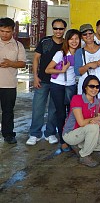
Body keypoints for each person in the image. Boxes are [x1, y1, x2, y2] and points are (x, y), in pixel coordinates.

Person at [63, 75, 100, 167]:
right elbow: (81, 123)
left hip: (87, 133)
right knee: (93, 127)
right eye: (92, 86)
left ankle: (80, 146)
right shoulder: (77, 99)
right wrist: (97, 119)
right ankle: (84, 155)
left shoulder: (98, 102)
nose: (95, 89)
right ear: (85, 87)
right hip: (71, 133)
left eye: (97, 87)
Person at [27, 18, 67, 146]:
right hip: (43, 80)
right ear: (52, 29)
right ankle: (34, 134)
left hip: (58, 82)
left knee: (54, 109)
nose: (58, 31)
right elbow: (36, 59)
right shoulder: (45, 41)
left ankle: (50, 133)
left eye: (61, 29)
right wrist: (35, 76)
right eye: (56, 28)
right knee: (38, 107)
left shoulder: (66, 44)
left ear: (64, 29)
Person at [45, 29, 80, 152]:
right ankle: (63, 140)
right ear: (67, 40)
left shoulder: (81, 53)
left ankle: (72, 138)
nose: (74, 41)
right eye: (71, 39)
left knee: (72, 114)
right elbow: (48, 70)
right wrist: (62, 70)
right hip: (58, 85)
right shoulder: (61, 53)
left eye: (77, 39)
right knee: (60, 113)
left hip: (72, 86)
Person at [0, 18, 26, 144]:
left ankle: (8, 134)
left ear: (13, 31)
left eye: (7, 31)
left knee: (8, 111)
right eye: (2, 31)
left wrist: (11, 63)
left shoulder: (18, 45)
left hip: (9, 84)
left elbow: (22, 63)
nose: (4, 34)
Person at [74, 24, 100, 95]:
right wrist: (88, 65)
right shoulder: (79, 52)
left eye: (90, 33)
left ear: (94, 34)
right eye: (85, 34)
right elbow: (77, 72)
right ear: (81, 37)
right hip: (86, 86)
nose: (88, 36)